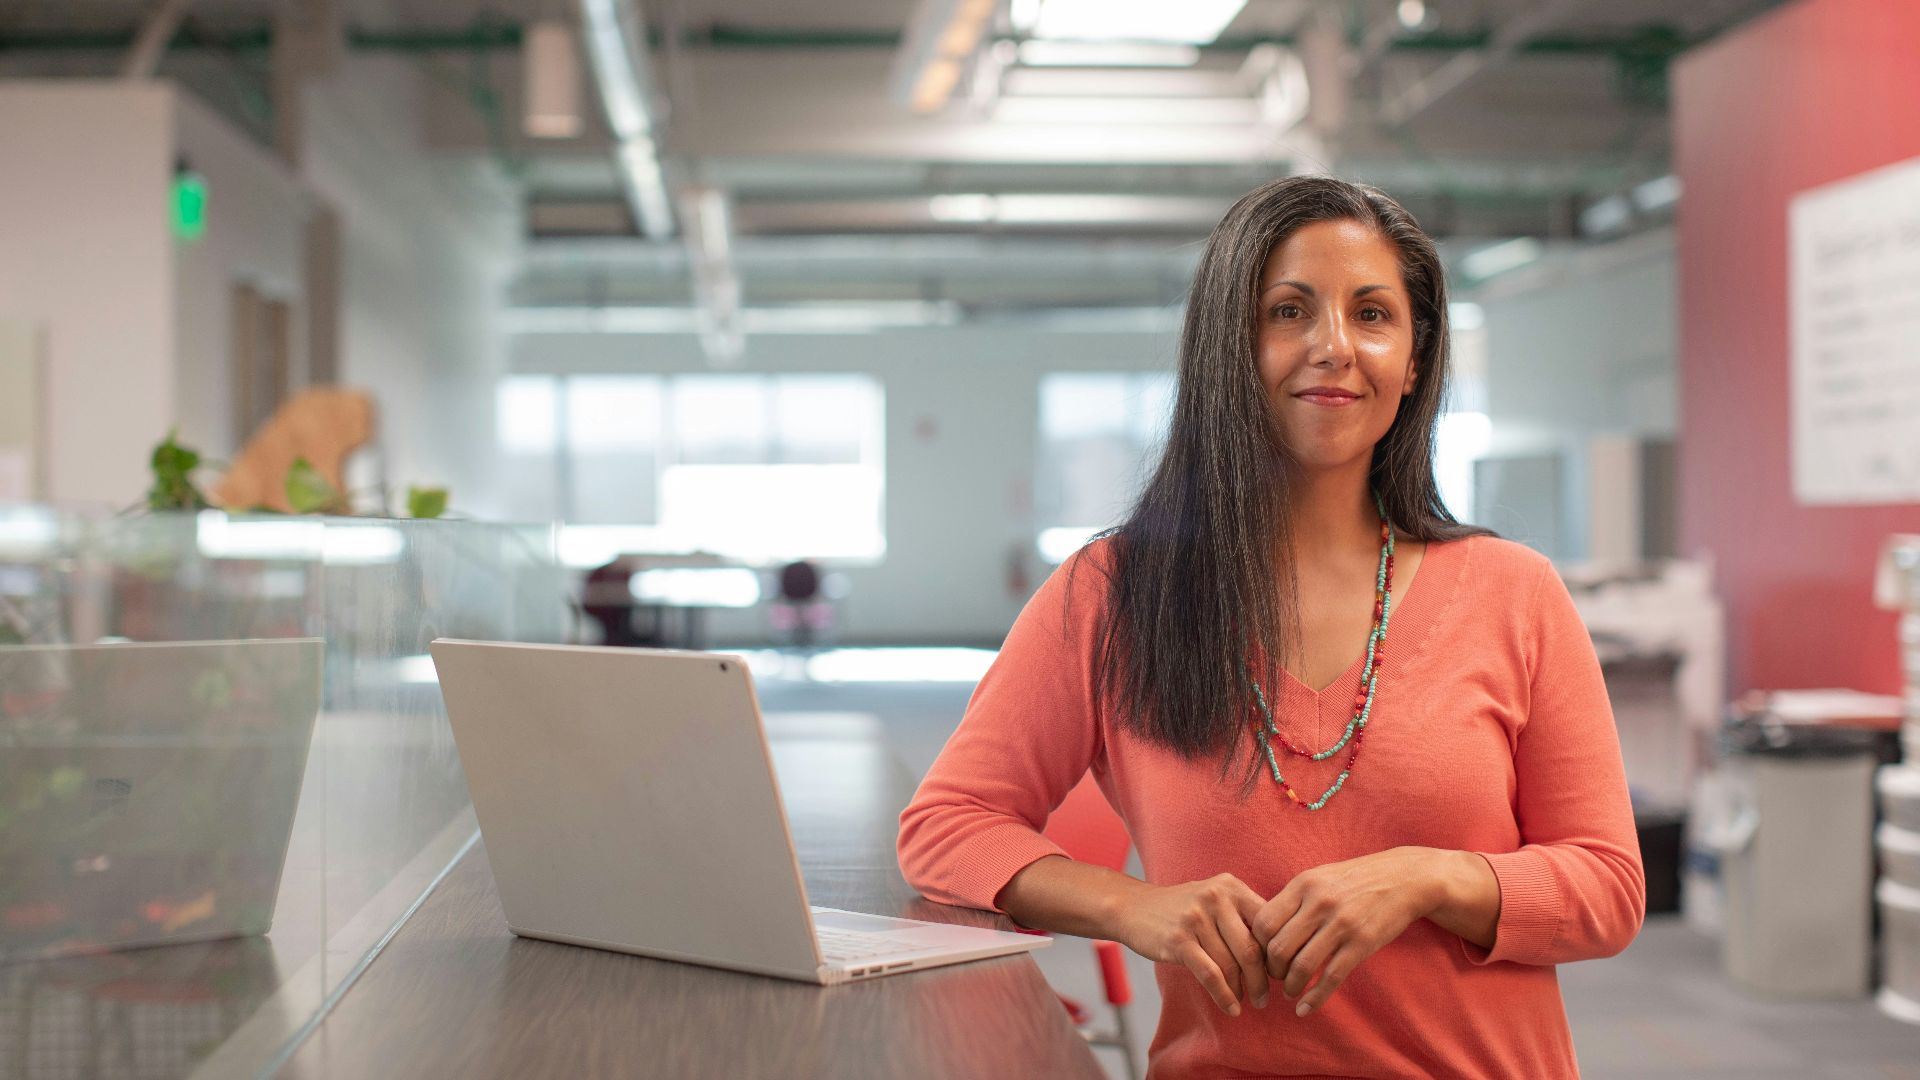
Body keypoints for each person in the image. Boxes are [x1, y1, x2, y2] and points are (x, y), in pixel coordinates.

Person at [897, 176, 1644, 1079]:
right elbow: (947, 825)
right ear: (1231, 346)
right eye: (1289, 311)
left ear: (1413, 363)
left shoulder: (1515, 592)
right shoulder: (1113, 594)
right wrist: (1133, 906)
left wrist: (1429, 878)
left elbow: (1609, 888)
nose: (1333, 347)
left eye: (1373, 315)